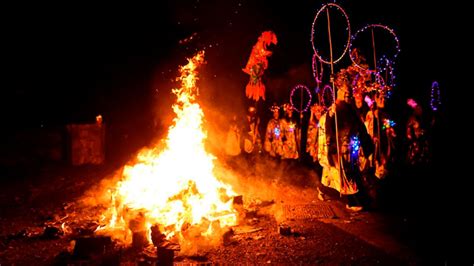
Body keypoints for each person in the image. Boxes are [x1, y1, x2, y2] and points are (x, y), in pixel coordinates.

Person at [325, 75, 373, 211]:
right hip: (341, 148)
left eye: (349, 93)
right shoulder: (335, 109)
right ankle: (353, 201)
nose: (348, 95)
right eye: (345, 92)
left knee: (354, 172)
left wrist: (367, 143)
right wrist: (331, 148)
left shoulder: (351, 109)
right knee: (347, 174)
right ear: (339, 93)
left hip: (353, 148)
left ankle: (361, 199)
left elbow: (360, 127)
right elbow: (329, 130)